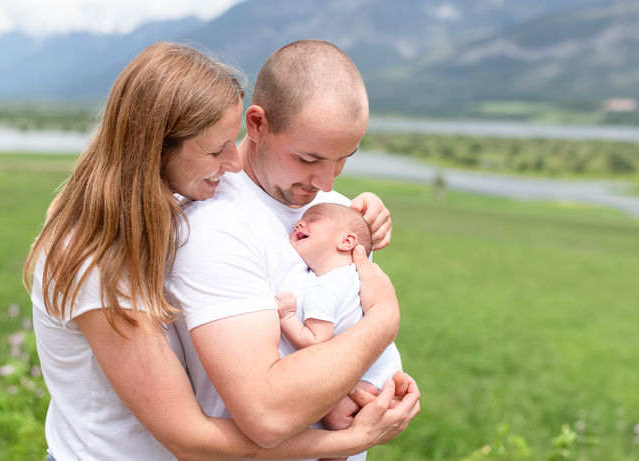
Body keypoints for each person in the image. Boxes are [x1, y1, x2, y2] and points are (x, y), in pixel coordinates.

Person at [24, 41, 417, 461]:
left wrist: (355, 214)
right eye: (217, 149)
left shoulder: (155, 221)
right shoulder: (99, 257)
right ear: (155, 148)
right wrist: (349, 436)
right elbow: (192, 437)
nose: (233, 162)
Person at [166, 39, 419, 461]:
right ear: (257, 124)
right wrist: (384, 321)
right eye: (307, 158)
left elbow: (346, 339)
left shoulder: (338, 212)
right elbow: (266, 415)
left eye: (343, 159)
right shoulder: (211, 223)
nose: (326, 181)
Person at [275, 202, 404, 461]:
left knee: (338, 417)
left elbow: (316, 341)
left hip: (367, 374)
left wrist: (287, 317)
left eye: (313, 220)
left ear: (346, 241)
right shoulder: (359, 275)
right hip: (386, 366)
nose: (300, 223)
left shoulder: (321, 287)